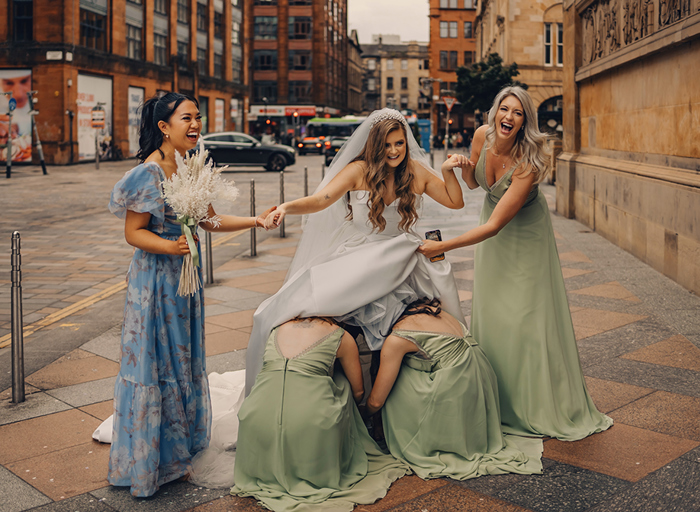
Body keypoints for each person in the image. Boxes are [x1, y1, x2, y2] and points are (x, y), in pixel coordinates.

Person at [418, 86, 612, 441]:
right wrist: (460, 166)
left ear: (525, 122)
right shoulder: (481, 136)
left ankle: (536, 402)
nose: (508, 117)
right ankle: (498, 399)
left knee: (527, 315)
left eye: (517, 113)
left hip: (524, 234)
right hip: (493, 226)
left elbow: (493, 227)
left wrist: (442, 246)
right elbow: (476, 184)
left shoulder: (530, 162)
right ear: (495, 113)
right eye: (504, 109)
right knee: (495, 311)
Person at [106, 92, 274, 497]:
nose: (195, 125)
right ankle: (151, 462)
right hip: (154, 284)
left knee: (183, 359)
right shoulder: (147, 173)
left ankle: (179, 452)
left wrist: (256, 219)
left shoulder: (188, 166)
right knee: (156, 362)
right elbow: (134, 233)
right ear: (164, 127)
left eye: (197, 118)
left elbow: (209, 220)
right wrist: (171, 246)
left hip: (185, 282)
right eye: (187, 118)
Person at [246, 108, 468, 393]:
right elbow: (320, 200)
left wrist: (449, 171)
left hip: (402, 257)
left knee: (394, 333)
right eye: (387, 144)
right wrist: (286, 207)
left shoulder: (415, 172)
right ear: (375, 144)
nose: (394, 150)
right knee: (317, 313)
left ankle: (384, 403)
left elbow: (455, 202)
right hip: (359, 254)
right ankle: (349, 395)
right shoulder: (358, 170)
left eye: (399, 143)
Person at [227, 318, 408, 511]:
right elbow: (359, 392)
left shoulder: (276, 328)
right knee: (342, 382)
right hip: (312, 424)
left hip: (255, 419)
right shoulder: (341, 335)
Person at [365, 298, 542, 480]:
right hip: (480, 386)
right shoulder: (431, 309)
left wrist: (362, 416)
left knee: (394, 375)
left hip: (454, 395)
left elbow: (376, 401)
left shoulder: (397, 338)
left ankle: (426, 437)